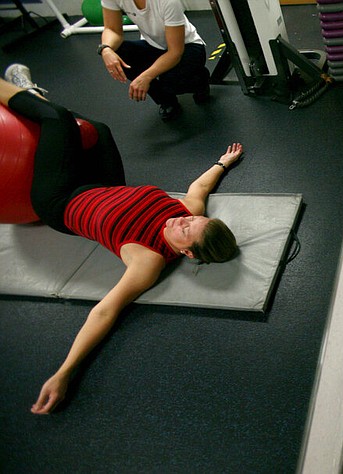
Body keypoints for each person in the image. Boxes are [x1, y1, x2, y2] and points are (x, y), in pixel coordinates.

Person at [2, 64, 241, 414]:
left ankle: (24, 93)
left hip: (59, 201)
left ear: (187, 253)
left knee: (57, 118)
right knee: (99, 130)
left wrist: (64, 373)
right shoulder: (187, 209)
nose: (185, 218)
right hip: (101, 188)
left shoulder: (149, 260)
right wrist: (223, 163)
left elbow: (105, 312)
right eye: (195, 217)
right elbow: (200, 187)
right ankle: (32, 101)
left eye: (188, 228)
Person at [99, 0, 211, 121]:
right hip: (155, 45)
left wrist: (146, 76)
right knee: (118, 52)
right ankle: (166, 100)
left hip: (187, 47)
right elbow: (112, 29)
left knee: (170, 81)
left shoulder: (169, 2)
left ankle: (201, 80)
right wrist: (106, 49)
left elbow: (175, 52)